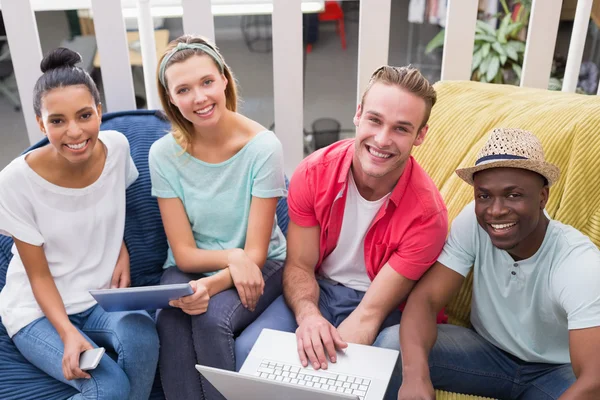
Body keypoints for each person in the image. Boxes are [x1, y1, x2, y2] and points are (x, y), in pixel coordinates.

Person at [235, 65, 448, 371]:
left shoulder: (428, 216)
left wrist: (322, 361)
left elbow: (370, 314)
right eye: (375, 120)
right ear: (358, 114)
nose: (382, 139)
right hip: (317, 289)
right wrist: (309, 316)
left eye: (401, 128)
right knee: (249, 352)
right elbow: (299, 266)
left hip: (379, 305)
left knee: (337, 371)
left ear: (420, 135)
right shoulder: (312, 174)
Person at [378, 128, 600, 400]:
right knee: (391, 346)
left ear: (543, 197)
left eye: (513, 195)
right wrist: (415, 378)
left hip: (555, 372)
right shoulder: (473, 223)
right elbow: (426, 299)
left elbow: (593, 380)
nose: (495, 211)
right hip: (486, 353)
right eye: (484, 196)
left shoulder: (579, 263)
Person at [0, 48, 159, 400]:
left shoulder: (117, 148)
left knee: (143, 336)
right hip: (38, 311)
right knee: (110, 385)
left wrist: (120, 248)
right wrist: (67, 333)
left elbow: (111, 203)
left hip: (100, 299)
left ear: (99, 112)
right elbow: (38, 276)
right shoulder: (14, 182)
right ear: (41, 124)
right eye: (57, 121)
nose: (74, 132)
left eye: (85, 115)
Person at [149, 35, 288, 400]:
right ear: (171, 99)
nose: (199, 98)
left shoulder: (263, 148)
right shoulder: (162, 154)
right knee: (170, 320)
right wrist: (231, 257)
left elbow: (256, 252)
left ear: (224, 79)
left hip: (263, 263)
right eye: (183, 90)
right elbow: (183, 253)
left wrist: (208, 286)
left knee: (211, 319)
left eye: (207, 82)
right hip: (198, 262)